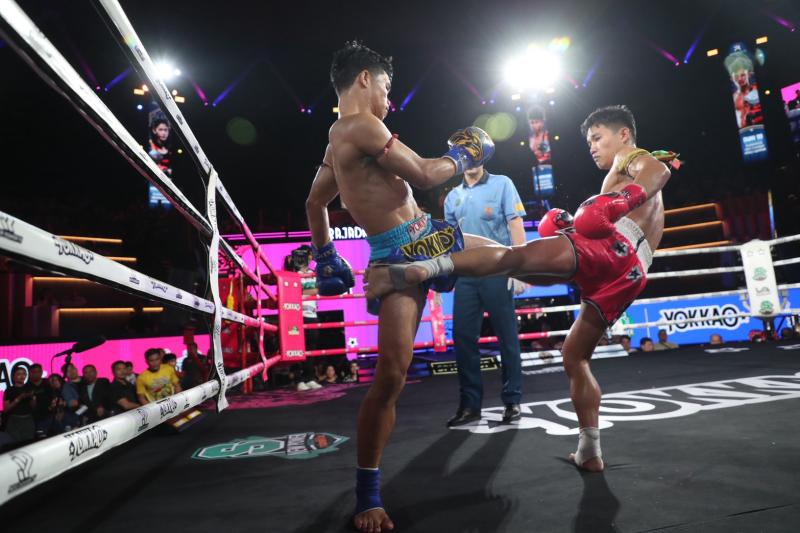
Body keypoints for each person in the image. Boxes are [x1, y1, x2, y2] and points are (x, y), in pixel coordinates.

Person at [366, 105, 673, 473]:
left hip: (612, 248)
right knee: (574, 355)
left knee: (514, 258)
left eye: (597, 137)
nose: (592, 146)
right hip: (630, 273)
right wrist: (578, 219)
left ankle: (420, 268)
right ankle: (589, 450)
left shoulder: (630, 156)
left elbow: (658, 171)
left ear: (623, 134)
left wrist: (618, 201)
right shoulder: (456, 196)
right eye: (589, 141)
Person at [304, 41, 493, 532]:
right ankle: (367, 496)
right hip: (398, 257)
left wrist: (325, 254)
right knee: (391, 375)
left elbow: (314, 203)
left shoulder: (337, 140)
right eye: (387, 87)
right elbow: (427, 174)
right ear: (364, 79)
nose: (390, 99)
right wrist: (465, 154)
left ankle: (580, 253)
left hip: (430, 235)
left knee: (510, 255)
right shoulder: (361, 126)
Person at [443, 163, 527, 427]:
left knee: (507, 338)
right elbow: (448, 241)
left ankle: (512, 401)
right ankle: (470, 406)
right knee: (462, 340)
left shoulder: (502, 183)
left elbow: (515, 224)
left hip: (498, 271)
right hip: (465, 276)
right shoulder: (452, 197)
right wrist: (443, 276)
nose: (470, 160)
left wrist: (520, 269)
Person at [3, 367, 36, 443]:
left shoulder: (29, 387)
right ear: (13, 376)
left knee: (29, 443)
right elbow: (6, 409)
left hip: (28, 419)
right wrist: (19, 398)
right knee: (16, 443)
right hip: (14, 420)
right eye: (19, 374)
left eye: (24, 374)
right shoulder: (9, 390)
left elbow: (33, 407)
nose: (22, 376)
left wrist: (33, 398)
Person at [27, 364, 53, 438]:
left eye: (39, 371)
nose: (37, 374)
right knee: (41, 438)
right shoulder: (27, 386)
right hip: (35, 418)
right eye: (34, 372)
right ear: (30, 373)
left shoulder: (47, 382)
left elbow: (54, 396)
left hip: (50, 415)